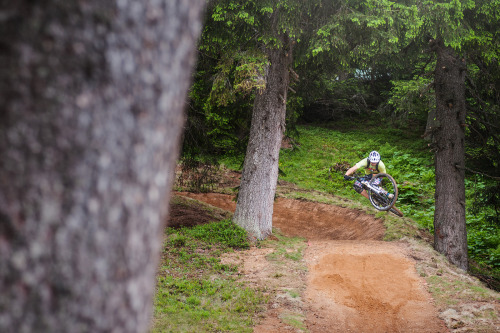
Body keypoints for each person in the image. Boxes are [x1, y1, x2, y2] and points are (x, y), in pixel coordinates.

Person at [344, 151, 402, 216]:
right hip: (368, 176)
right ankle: (372, 199)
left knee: (372, 184)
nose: (373, 164)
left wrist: (373, 177)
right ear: (369, 159)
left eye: (375, 162)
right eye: (372, 162)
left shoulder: (381, 164)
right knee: (356, 185)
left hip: (378, 176)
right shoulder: (365, 161)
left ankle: (387, 193)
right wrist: (346, 175)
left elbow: (384, 174)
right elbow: (354, 168)